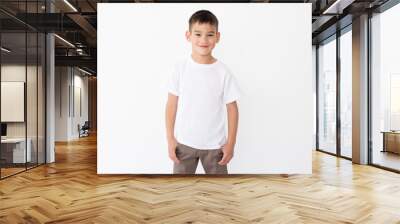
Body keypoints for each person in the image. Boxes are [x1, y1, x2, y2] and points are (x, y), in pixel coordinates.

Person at [165, 9, 241, 174]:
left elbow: (232, 108)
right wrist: (170, 139)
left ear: (218, 37)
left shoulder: (223, 72)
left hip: (215, 147)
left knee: (219, 194)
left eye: (210, 35)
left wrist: (231, 143)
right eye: (198, 34)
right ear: (188, 35)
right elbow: (171, 104)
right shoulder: (180, 68)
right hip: (184, 144)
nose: (203, 40)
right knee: (180, 192)